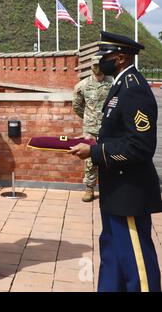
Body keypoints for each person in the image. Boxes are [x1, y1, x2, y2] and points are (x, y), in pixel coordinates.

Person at [69, 31, 162, 292]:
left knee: (136, 259)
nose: (102, 61)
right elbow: (119, 132)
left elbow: (140, 146)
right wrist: (93, 140)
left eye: (106, 56)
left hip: (129, 190)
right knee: (112, 250)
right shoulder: (120, 85)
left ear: (120, 58)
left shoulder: (134, 90)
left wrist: (96, 153)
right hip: (115, 187)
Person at [72, 56, 113, 202]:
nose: (97, 68)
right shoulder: (82, 86)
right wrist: (89, 117)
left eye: (99, 65)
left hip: (109, 127)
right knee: (90, 160)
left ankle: (111, 189)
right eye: (95, 65)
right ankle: (89, 188)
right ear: (91, 66)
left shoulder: (112, 82)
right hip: (90, 128)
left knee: (110, 155)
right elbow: (77, 106)